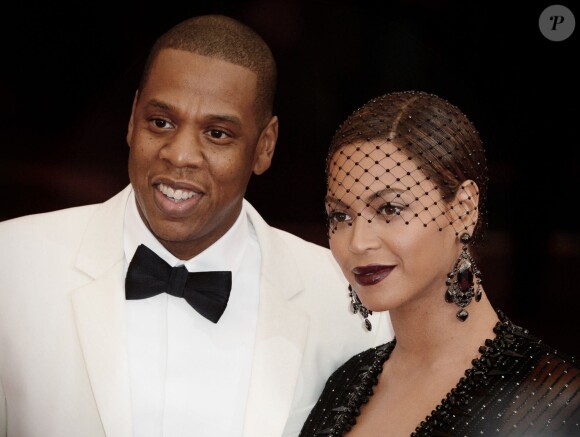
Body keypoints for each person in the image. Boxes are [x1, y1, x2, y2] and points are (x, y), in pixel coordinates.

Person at [0, 15, 392, 437]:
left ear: (264, 146)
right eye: (161, 122)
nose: (181, 154)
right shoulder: (14, 262)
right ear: (132, 119)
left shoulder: (347, 300)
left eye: (218, 133)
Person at [299, 91, 580, 436]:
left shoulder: (554, 397)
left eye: (389, 209)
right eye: (341, 215)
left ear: (463, 210)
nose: (357, 242)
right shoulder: (345, 383)